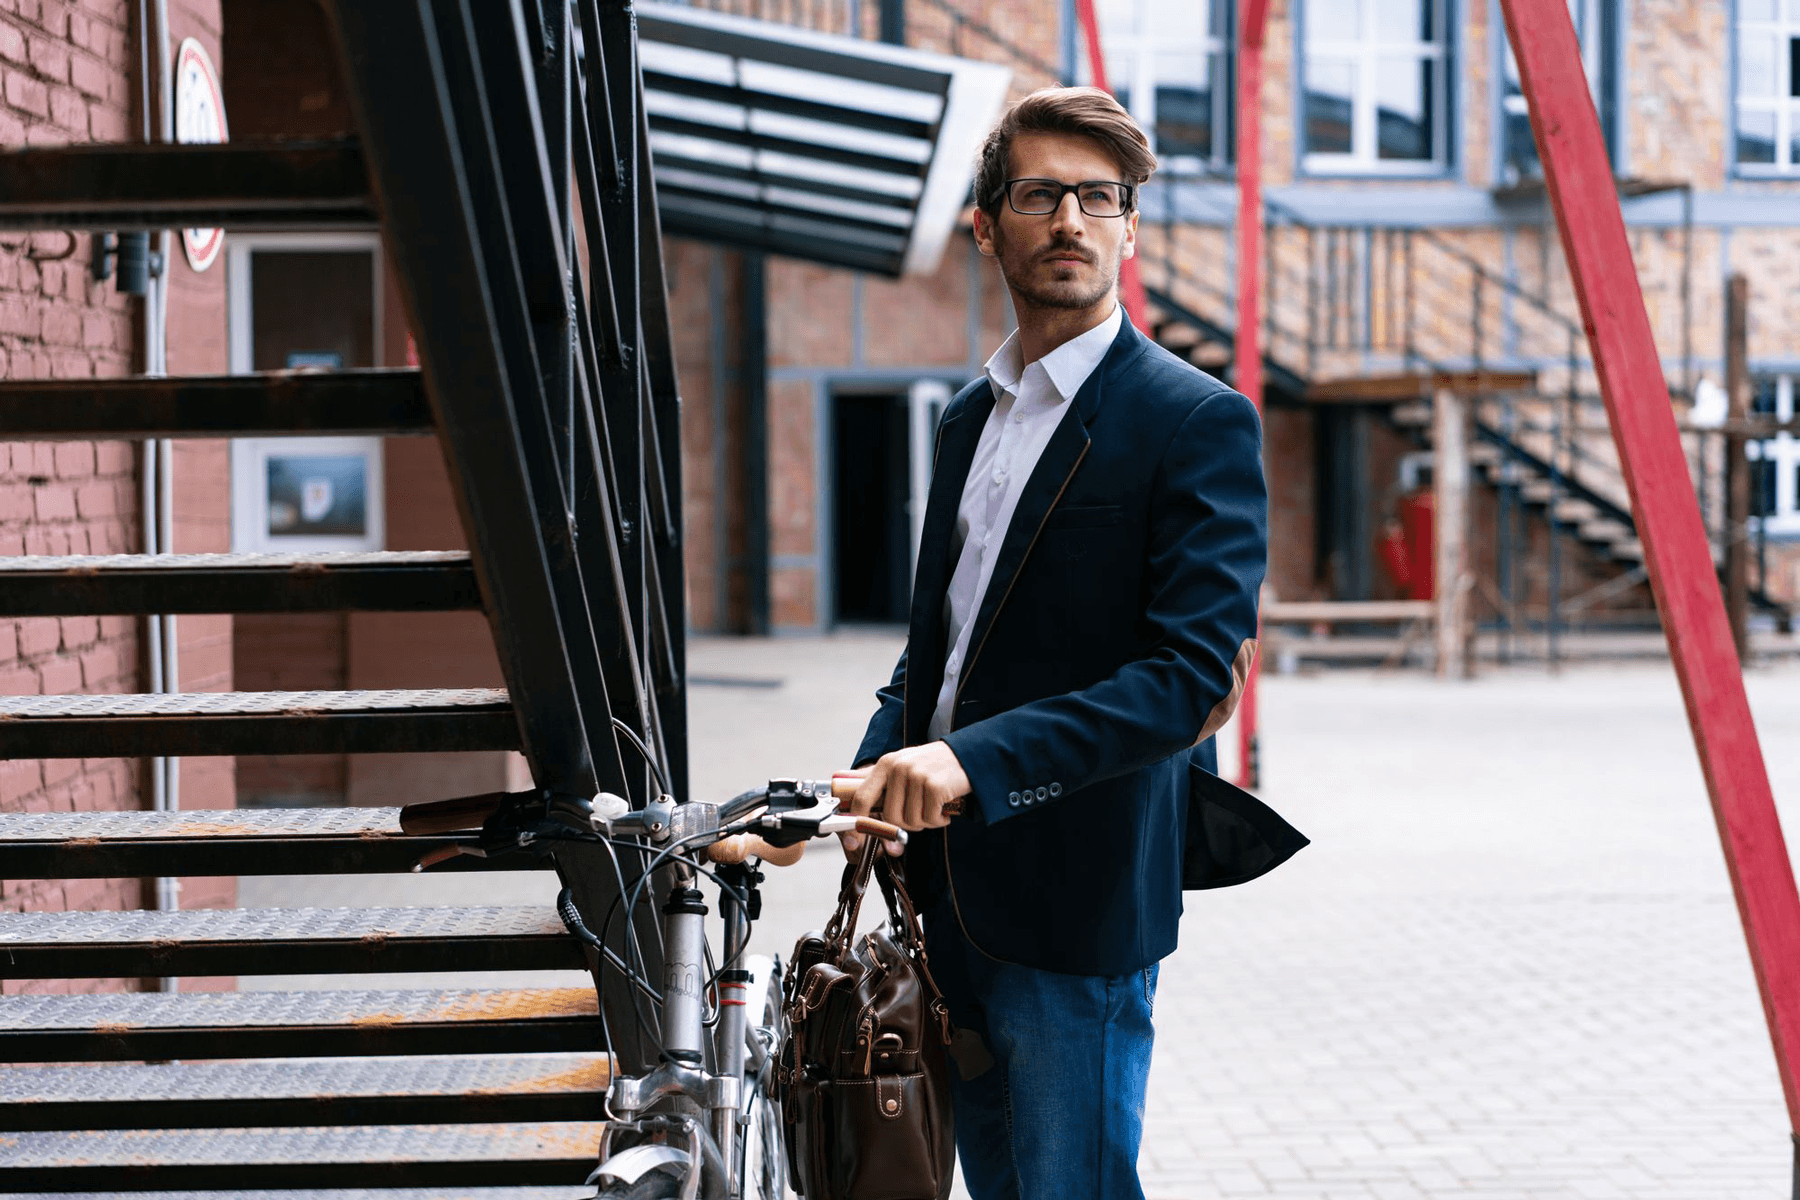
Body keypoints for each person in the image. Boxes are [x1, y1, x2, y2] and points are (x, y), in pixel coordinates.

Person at [835, 87, 1306, 1200]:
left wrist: (972, 764)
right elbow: (937, 655)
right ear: (987, 224)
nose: (1071, 221)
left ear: (1131, 228)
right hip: (946, 896)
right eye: (1040, 194)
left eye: (1101, 198)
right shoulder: (968, 418)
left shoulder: (1193, 420)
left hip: (1080, 898)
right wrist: (859, 782)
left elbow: (1188, 678)